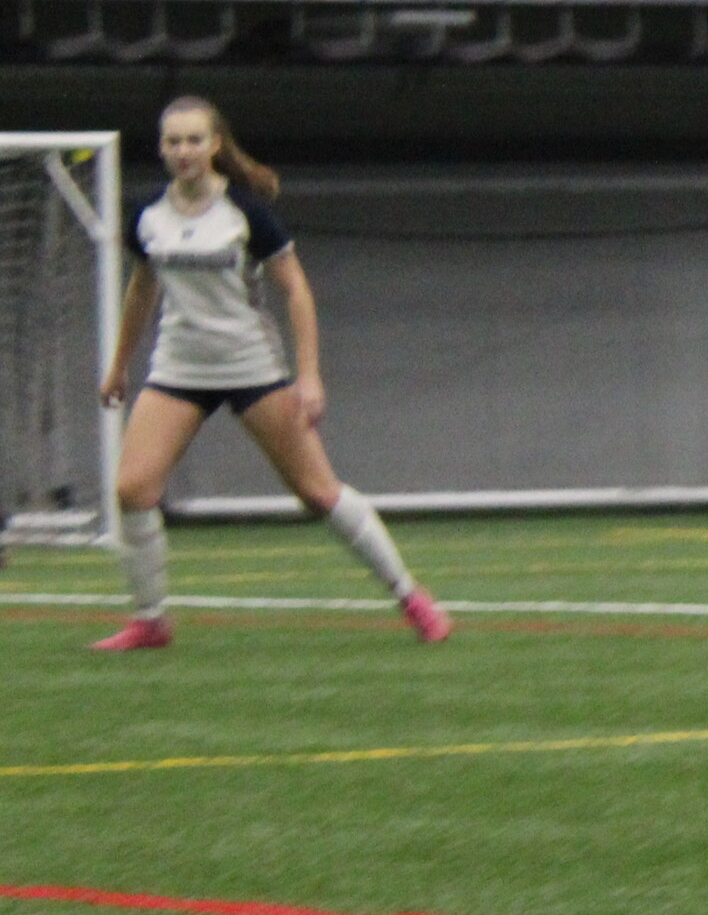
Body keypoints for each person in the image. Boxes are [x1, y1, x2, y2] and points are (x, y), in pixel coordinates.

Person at [86, 98, 451, 654]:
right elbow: (142, 289)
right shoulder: (148, 217)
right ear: (161, 149)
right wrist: (118, 365)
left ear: (214, 146)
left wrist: (309, 378)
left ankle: (410, 597)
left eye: (193, 140)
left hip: (251, 367)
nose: (182, 151)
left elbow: (296, 290)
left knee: (317, 493)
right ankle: (151, 621)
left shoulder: (245, 214)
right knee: (132, 489)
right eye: (172, 142)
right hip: (178, 369)